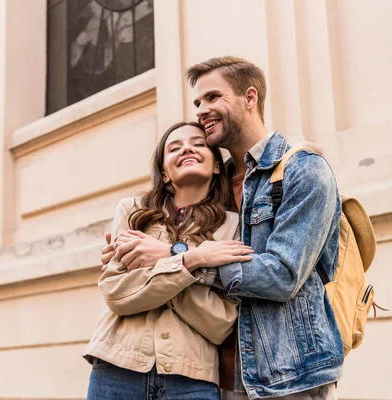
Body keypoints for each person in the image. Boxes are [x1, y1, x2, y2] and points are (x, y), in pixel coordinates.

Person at [101, 57, 343, 399]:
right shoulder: (214, 183)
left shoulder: (303, 171)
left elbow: (283, 274)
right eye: (198, 102)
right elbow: (161, 234)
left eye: (213, 97)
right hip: (218, 376)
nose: (201, 110)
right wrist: (129, 242)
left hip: (287, 376)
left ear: (250, 97)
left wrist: (177, 257)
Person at [84, 121, 254, 400]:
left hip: (191, 379)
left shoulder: (233, 225)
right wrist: (192, 260)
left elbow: (221, 320)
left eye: (199, 144)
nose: (187, 148)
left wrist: (154, 275)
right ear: (164, 173)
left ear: (215, 165)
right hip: (116, 369)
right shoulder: (132, 210)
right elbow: (117, 293)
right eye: (174, 147)